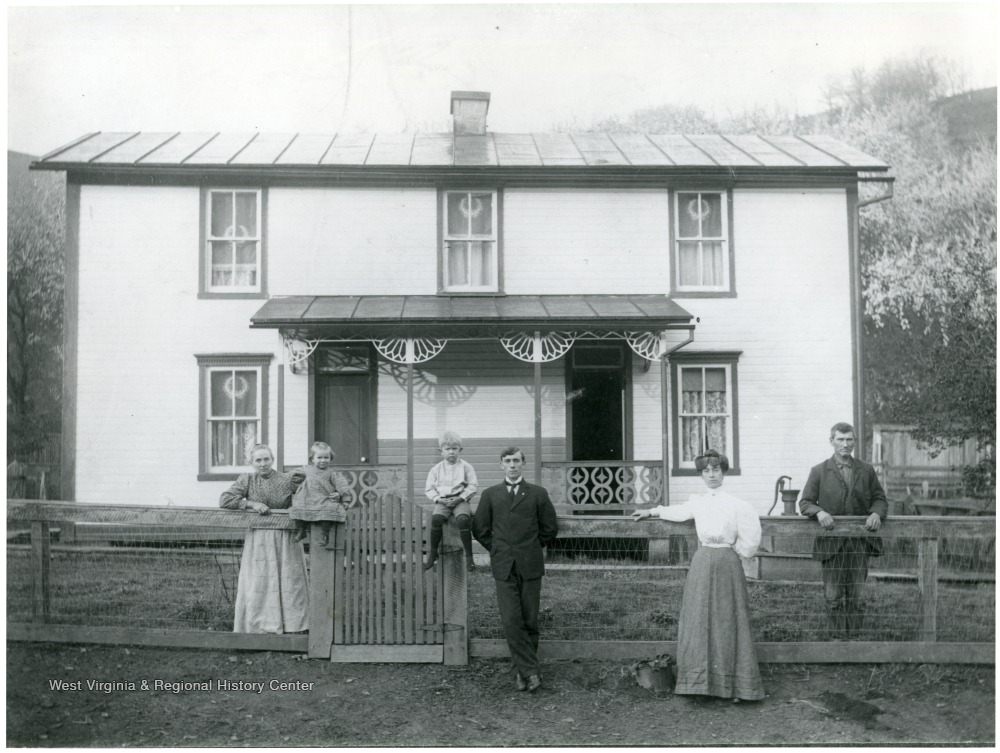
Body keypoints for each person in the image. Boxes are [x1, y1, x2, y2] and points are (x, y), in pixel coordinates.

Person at [632, 450, 764, 701]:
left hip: (727, 561)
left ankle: (737, 686)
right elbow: (677, 511)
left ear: (723, 473)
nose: (711, 475)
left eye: (716, 470)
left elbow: (750, 540)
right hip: (702, 562)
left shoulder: (737, 504)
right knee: (698, 618)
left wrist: (732, 553)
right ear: (701, 475)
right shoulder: (698, 502)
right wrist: (651, 512)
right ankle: (699, 685)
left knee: (729, 619)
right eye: (706, 471)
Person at [472, 447, 558, 693]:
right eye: (508, 461)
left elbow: (550, 528)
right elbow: (480, 528)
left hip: (530, 564)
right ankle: (531, 671)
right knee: (511, 619)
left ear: (523, 464)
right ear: (501, 465)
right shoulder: (490, 494)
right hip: (503, 565)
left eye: (516, 460)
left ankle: (520, 672)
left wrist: (531, 547)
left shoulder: (538, 493)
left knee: (530, 619)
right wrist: (496, 549)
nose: (512, 465)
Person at [799, 421, 888, 639]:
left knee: (858, 595)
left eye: (849, 439)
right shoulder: (819, 471)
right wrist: (819, 512)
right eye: (840, 439)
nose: (845, 444)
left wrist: (876, 513)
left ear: (854, 441)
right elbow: (805, 503)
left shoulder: (866, 470)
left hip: (859, 543)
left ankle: (855, 640)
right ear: (832, 441)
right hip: (831, 544)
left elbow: (880, 499)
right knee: (833, 596)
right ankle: (837, 641)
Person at [219, 444, 308, 634]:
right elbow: (225, 499)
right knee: (259, 582)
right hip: (259, 539)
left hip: (285, 538)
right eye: (258, 460)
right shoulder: (247, 480)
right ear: (251, 462)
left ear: (272, 460)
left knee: (289, 581)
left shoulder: (287, 479)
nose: (262, 464)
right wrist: (251, 504)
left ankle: (293, 626)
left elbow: (310, 489)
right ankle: (258, 626)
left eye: (266, 459)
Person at [424, 431, 480, 572]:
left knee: (463, 520)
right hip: (443, 500)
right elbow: (429, 489)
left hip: (460, 499)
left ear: (460, 450)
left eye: (454, 448)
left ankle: (469, 556)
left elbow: (473, 486)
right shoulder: (436, 469)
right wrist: (439, 499)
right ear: (440, 451)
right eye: (447, 449)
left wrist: (460, 498)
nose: (451, 452)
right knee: (436, 519)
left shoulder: (466, 467)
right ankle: (433, 553)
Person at [290, 441, 351, 549]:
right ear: (312, 459)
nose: (323, 460)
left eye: (326, 457)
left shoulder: (332, 473)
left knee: (329, 509)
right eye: (319, 457)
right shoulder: (306, 470)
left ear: (330, 458)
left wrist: (344, 498)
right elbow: (291, 476)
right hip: (307, 498)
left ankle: (325, 534)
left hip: (324, 499)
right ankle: (301, 530)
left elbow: (342, 485)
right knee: (297, 507)